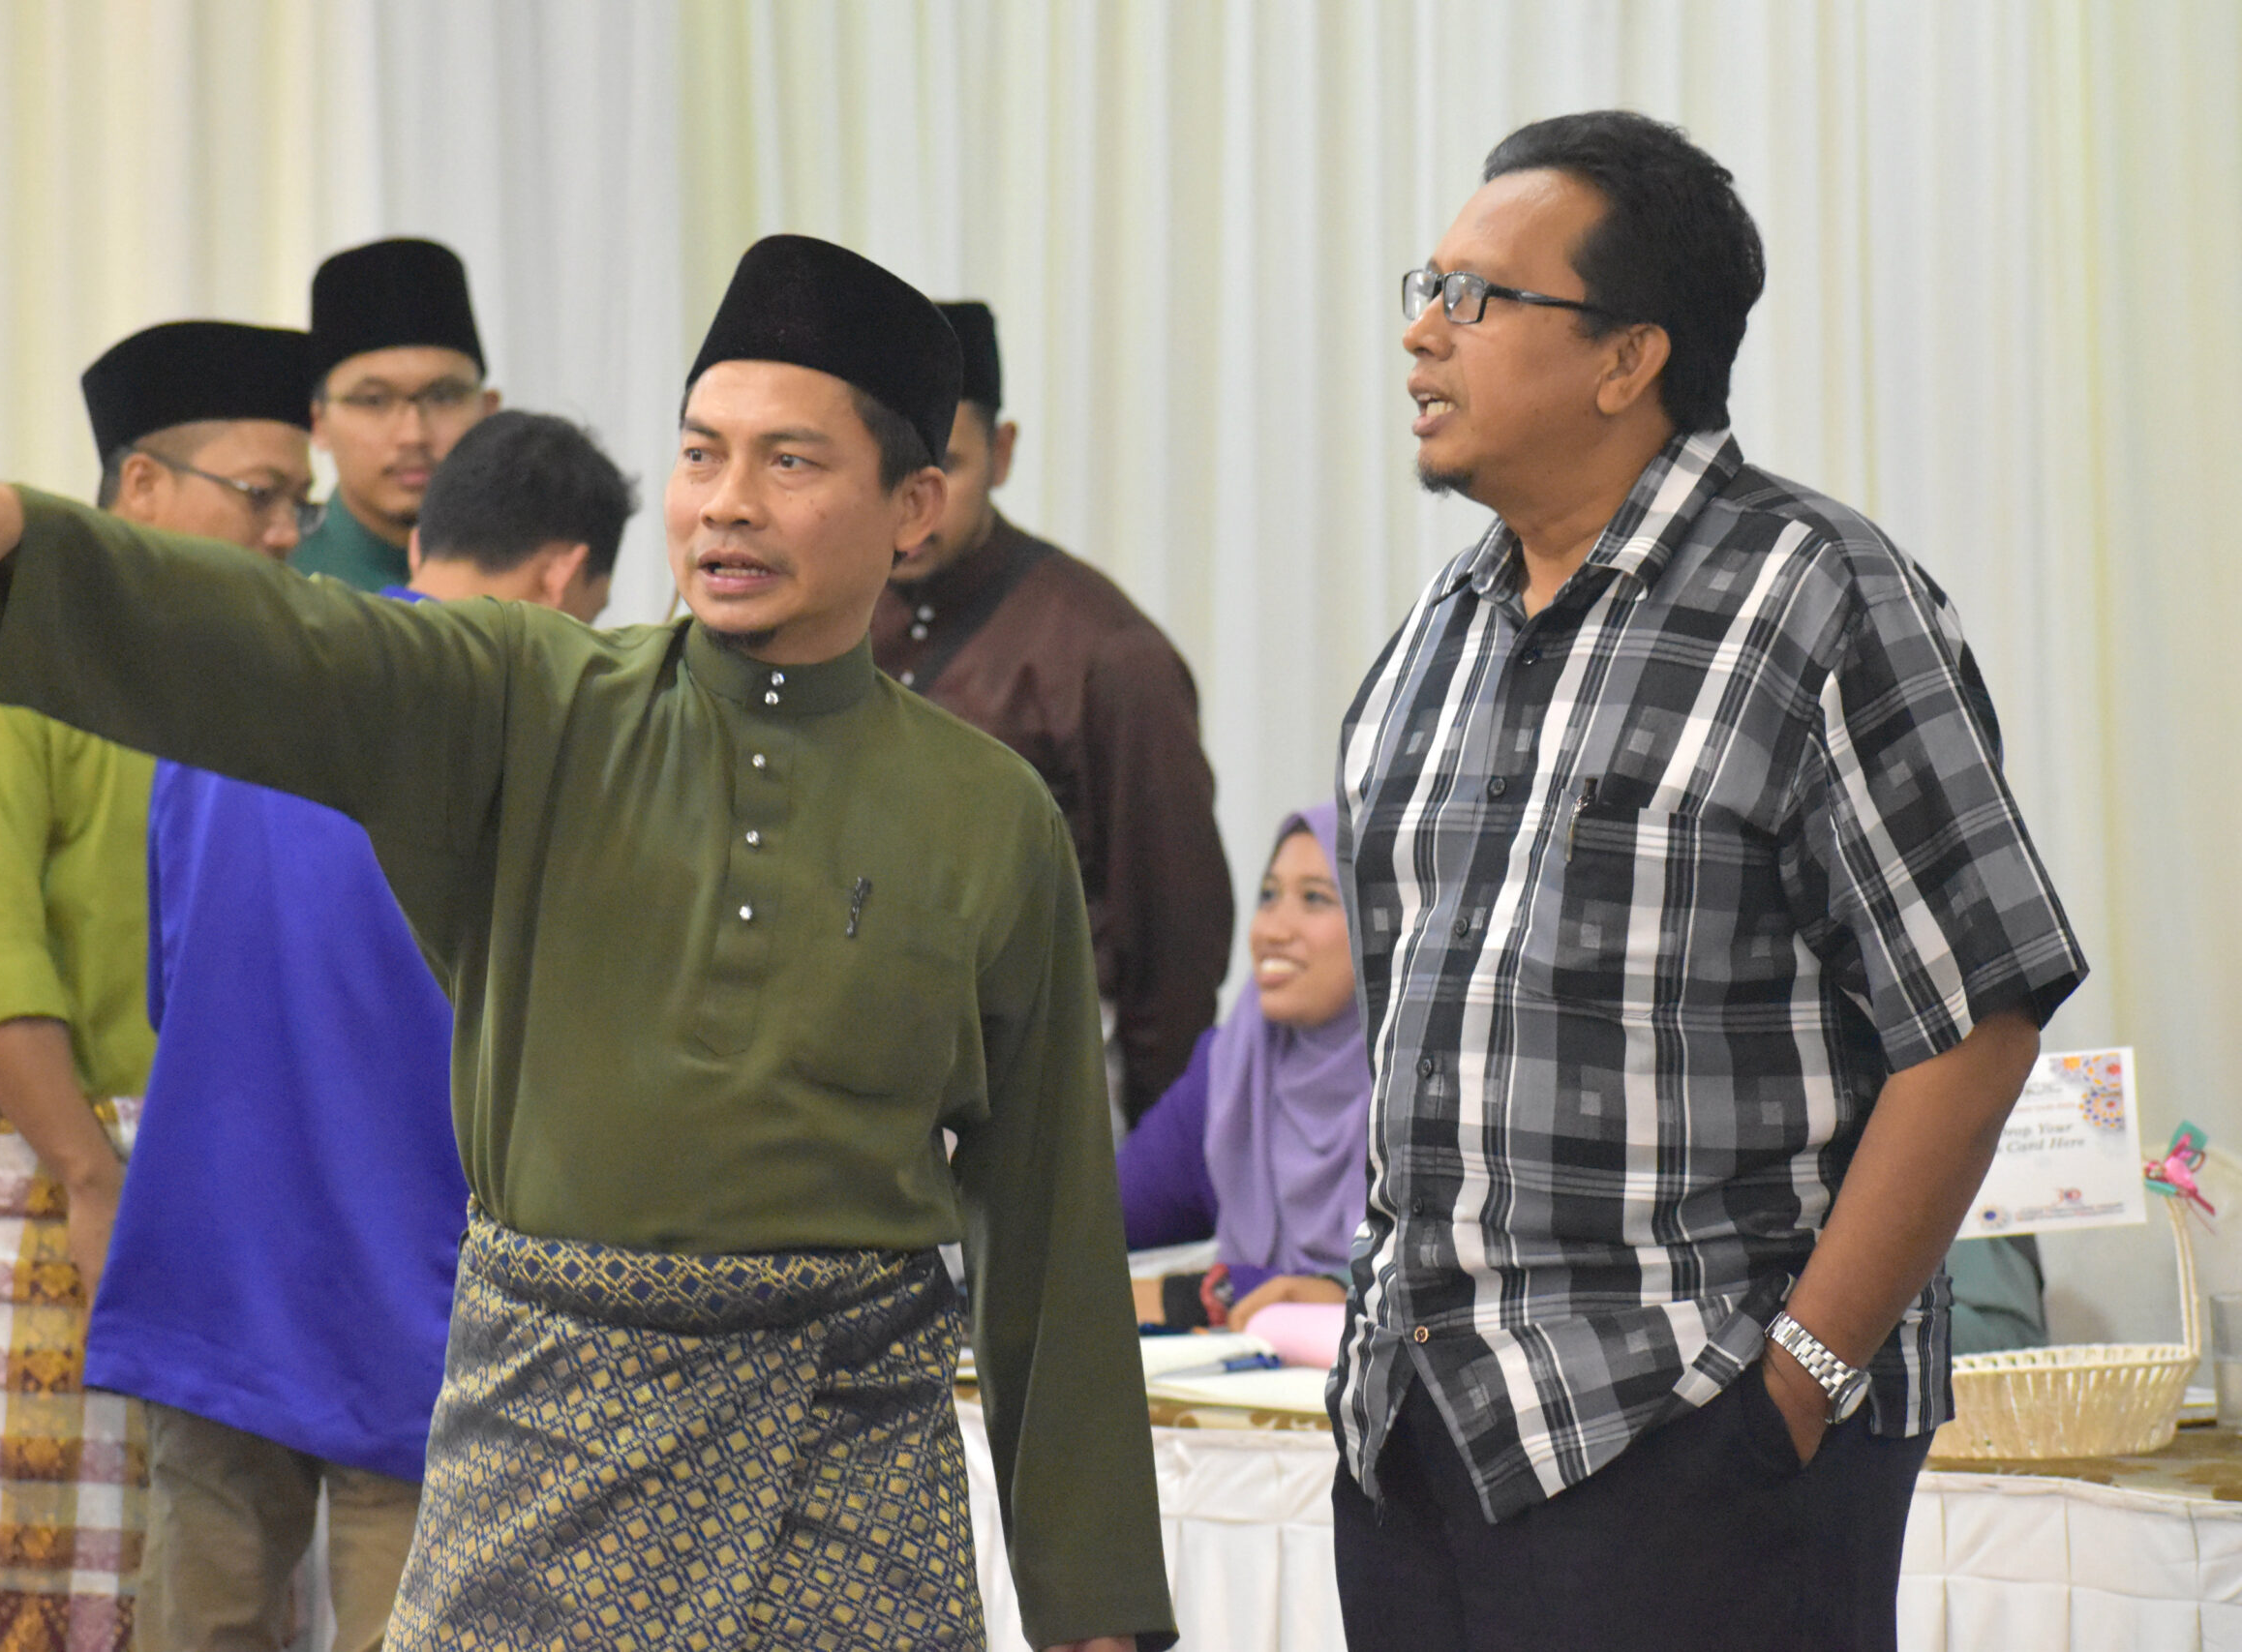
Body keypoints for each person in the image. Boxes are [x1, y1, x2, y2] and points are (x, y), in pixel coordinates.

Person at [0, 234, 1173, 1652]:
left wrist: (1093, 1600)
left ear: (914, 504)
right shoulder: (536, 701)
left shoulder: (990, 817)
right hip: (541, 1458)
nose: (726, 501)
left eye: (789, 461)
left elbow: (1049, 1218)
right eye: (700, 454)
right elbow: (294, 648)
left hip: (849, 1484)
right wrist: (31, 541)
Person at [1326, 112, 2086, 1651]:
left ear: (1628, 358)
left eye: (1476, 296)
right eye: (1427, 286)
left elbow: (1976, 1022)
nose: (1422, 332)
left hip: (1692, 1431)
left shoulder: (1820, 596)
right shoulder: (1437, 633)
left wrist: (1799, 1384)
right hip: (1420, 1441)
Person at [85, 410, 634, 1652]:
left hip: (218, 1269)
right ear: (564, 576)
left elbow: (170, 981)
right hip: (417, 1293)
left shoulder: (243, 687)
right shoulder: (528, 735)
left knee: (198, 1622)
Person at [0, 319, 313, 1652]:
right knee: (54, 1579)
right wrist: (89, 1174)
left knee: (217, 1568)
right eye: (262, 494)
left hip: (217, 1171)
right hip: (47, 1162)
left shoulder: (246, 682)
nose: (289, 533)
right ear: (142, 487)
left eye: (301, 502)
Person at [872, 300, 1231, 1125]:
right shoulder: (834, 617)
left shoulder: (1108, 653)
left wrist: (1152, 1145)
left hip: (1039, 1074)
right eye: (892, 473)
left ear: (1001, 453)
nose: (916, 506)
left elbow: (1174, 930)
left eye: (945, 468)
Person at [1121, 802, 1367, 1334]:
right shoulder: (1231, 1069)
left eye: (1315, 898)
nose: (1272, 930)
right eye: (1269, 896)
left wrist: (1218, 1291)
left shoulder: (1427, 1086)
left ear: (1380, 924)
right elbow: (1091, 1228)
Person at [291, 237, 500, 592]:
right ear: (319, 423)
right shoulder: (281, 583)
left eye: (444, 396)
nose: (413, 435)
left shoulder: (534, 576)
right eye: (374, 401)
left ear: (488, 413)